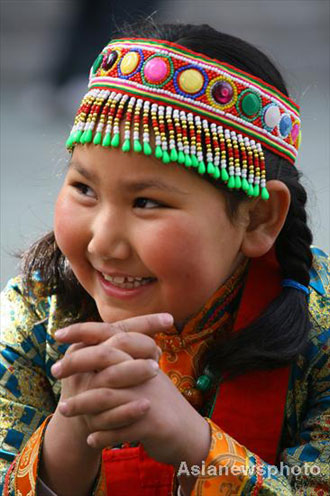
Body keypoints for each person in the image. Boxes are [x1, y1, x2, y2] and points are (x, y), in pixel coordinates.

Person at [1, 20, 329, 496]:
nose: (103, 244)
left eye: (147, 203)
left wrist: (196, 447)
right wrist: (69, 439)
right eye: (84, 188)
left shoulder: (318, 334)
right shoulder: (34, 312)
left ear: (258, 218)